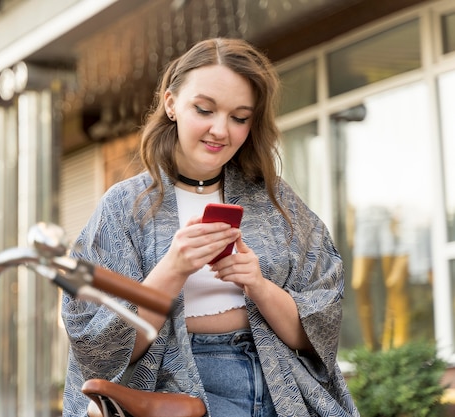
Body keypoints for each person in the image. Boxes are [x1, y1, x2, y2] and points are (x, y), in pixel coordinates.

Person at [61, 38, 359, 417]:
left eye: (239, 117)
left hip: (277, 380)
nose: (220, 130)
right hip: (181, 385)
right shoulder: (124, 206)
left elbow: (317, 331)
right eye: (204, 109)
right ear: (171, 104)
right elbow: (98, 346)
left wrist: (258, 284)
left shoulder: (274, 200)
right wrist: (174, 267)